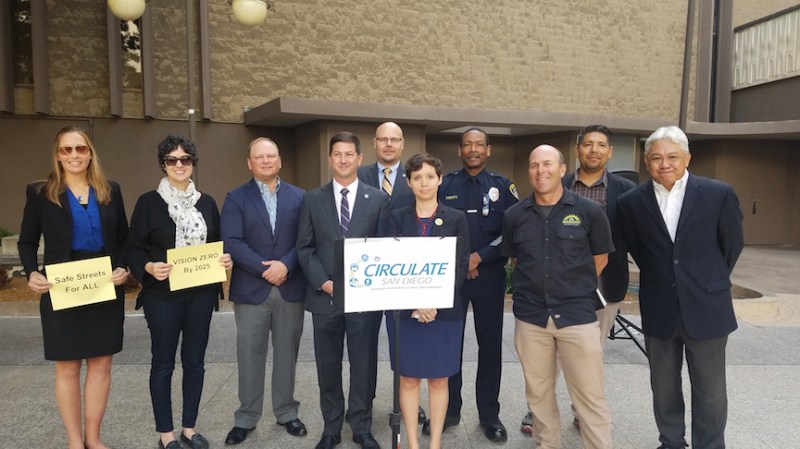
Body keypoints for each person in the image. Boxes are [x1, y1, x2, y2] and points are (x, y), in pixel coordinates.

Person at [617, 126, 744, 449]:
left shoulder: (718, 194)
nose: (664, 164)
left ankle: (710, 445)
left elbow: (731, 245)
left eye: (672, 156)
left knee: (711, 390)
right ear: (646, 162)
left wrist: (704, 280)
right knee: (663, 386)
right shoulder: (631, 202)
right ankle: (671, 442)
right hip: (659, 305)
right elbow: (638, 249)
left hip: (707, 306)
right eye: (656, 157)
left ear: (687, 157)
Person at [18, 126, 129, 449]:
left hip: (103, 287)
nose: (74, 155)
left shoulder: (111, 189)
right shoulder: (40, 192)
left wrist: (123, 267)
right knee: (67, 366)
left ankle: (93, 438)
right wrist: (31, 273)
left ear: (90, 152)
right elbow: (27, 241)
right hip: (62, 288)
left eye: (80, 149)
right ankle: (74, 441)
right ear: (57, 155)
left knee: (101, 364)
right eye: (67, 150)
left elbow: (123, 237)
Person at [521, 124, 636, 433]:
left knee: (589, 355)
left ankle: (580, 411)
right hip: (554, 286)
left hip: (603, 284)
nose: (594, 150)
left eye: (601, 145)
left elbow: (631, 238)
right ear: (577, 150)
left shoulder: (625, 190)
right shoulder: (558, 182)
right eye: (588, 144)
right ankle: (539, 411)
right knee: (548, 352)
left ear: (610, 152)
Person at [501, 145, 613, 449]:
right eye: (534, 165)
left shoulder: (589, 212)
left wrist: (570, 284)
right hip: (532, 318)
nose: (541, 171)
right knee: (538, 394)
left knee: (589, 395)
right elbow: (517, 260)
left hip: (576, 316)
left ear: (563, 169)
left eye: (548, 164)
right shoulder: (514, 215)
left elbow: (599, 259)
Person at [126, 135, 232, 449]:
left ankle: (189, 427)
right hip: (162, 297)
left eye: (185, 159)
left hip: (200, 295)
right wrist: (147, 267)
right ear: (163, 164)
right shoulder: (148, 202)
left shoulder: (207, 203)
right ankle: (166, 434)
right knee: (163, 364)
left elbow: (218, 245)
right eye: (172, 159)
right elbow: (133, 249)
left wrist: (225, 259)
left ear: (192, 164)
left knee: (195, 362)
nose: (179, 165)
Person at [297, 132, 390, 449]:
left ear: (360, 158)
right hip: (325, 298)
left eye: (350, 154)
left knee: (364, 365)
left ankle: (362, 427)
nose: (344, 159)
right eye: (337, 154)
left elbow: (383, 250)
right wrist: (323, 282)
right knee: (328, 365)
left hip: (365, 300)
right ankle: (332, 428)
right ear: (330, 158)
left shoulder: (377, 199)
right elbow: (305, 248)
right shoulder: (312, 199)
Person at [220, 137, 308, 444]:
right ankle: (246, 418)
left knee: (287, 354)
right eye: (260, 157)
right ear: (250, 163)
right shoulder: (235, 198)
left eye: (271, 156)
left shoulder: (300, 197)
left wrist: (285, 265)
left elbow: (305, 240)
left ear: (280, 161)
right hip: (251, 289)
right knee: (249, 355)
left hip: (290, 286)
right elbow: (232, 241)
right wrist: (265, 268)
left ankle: (286, 412)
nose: (266, 161)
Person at [433, 127, 517, 442]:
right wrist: (461, 260)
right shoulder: (446, 184)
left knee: (490, 346)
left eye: (479, 144)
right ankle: (450, 411)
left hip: (489, 276)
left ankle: (489, 415)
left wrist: (479, 257)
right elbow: (434, 224)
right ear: (459, 150)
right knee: (449, 343)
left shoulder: (503, 186)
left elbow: (511, 232)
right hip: (451, 278)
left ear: (488, 150)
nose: (473, 149)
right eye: (467, 144)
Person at [383, 153, 470, 449]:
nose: (424, 182)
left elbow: (460, 266)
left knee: (439, 379)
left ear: (440, 179)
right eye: (417, 177)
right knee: (408, 379)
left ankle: (434, 443)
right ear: (408, 182)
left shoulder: (456, 218)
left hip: (444, 314)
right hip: (406, 314)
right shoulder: (395, 219)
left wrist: (432, 302)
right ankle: (411, 442)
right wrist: (415, 304)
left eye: (430, 176)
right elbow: (390, 267)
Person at [357, 121, 415, 211]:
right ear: (375, 143)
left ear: (402, 144)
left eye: (394, 140)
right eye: (383, 139)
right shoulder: (359, 176)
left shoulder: (414, 176)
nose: (389, 144)